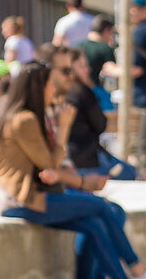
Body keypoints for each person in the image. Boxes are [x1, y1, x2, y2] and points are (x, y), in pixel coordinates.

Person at [0, 61, 146, 279]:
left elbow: (52, 169)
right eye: (50, 84)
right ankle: (134, 275)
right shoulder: (24, 119)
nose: (55, 89)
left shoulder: (27, 117)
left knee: (96, 221)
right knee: (104, 208)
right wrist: (64, 128)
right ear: (37, 88)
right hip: (23, 200)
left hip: (31, 196)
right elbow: (50, 165)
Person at [51, 44, 136, 182]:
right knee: (132, 174)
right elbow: (100, 125)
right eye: (82, 66)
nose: (88, 69)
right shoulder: (81, 91)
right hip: (86, 160)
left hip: (70, 162)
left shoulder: (56, 95)